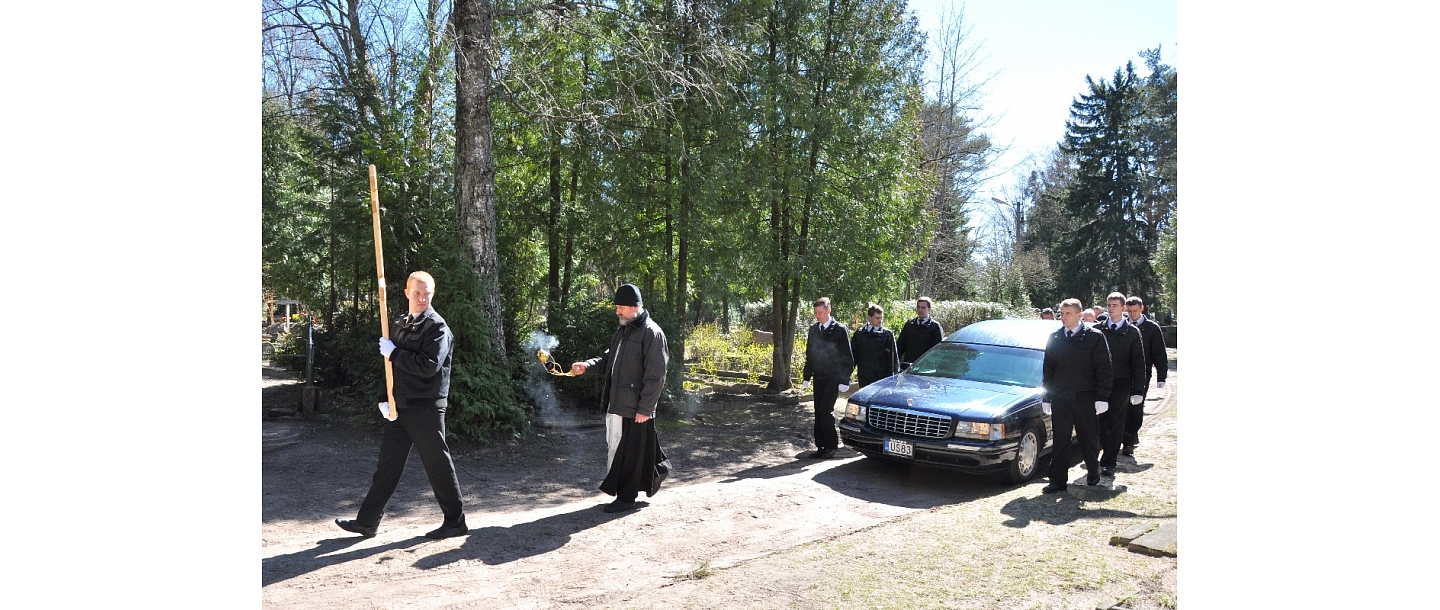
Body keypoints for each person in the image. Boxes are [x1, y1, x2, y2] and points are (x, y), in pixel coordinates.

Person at [336, 271, 468, 539]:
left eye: (427, 293)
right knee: (388, 465)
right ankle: (367, 522)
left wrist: (395, 352)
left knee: (437, 465)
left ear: (433, 293)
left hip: (426, 407)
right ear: (407, 293)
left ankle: (455, 522)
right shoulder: (398, 324)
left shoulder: (437, 328)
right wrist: (383, 398)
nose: (422, 298)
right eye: (417, 292)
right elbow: (389, 369)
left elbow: (428, 366)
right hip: (400, 406)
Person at [570, 284, 669, 514]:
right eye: (616, 307)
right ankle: (659, 470)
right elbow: (607, 360)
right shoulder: (623, 330)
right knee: (624, 451)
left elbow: (656, 377)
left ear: (635, 307)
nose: (617, 312)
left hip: (636, 409)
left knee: (630, 456)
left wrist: (645, 408)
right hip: (619, 404)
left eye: (621, 307)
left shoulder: (652, 333)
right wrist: (586, 366)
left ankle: (626, 499)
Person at [1041, 299, 1113, 493]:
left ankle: (1092, 471)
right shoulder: (1055, 337)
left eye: (1068, 314)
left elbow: (1104, 369)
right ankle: (1057, 480)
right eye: (1062, 313)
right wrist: (1047, 397)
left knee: (1088, 437)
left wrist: (1102, 397)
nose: (1063, 317)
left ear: (1079, 315)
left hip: (1086, 397)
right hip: (1061, 398)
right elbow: (1049, 370)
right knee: (1061, 439)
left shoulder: (1094, 337)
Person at [1096, 292, 1145, 477]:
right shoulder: (1099, 330)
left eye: (1115, 305)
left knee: (1116, 423)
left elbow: (1138, 363)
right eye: (1109, 305)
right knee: (1101, 422)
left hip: (1122, 384)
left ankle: (1109, 461)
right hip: (1100, 384)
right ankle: (1102, 454)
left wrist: (1138, 390)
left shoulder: (1132, 332)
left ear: (1123, 308)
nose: (1111, 308)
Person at [801, 297, 854, 459]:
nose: (818, 315)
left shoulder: (839, 329)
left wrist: (845, 379)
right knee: (818, 411)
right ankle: (821, 445)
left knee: (826, 410)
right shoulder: (814, 330)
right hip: (819, 376)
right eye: (816, 313)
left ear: (828, 310)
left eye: (821, 312)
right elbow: (810, 355)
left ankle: (831, 445)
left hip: (833, 377)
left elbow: (847, 356)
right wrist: (806, 376)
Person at [1122, 295, 1169, 456]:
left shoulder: (1152, 328)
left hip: (1143, 373)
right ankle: (1125, 437)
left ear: (1141, 309)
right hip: (1123, 373)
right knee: (1122, 406)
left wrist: (1161, 376)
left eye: (1135, 311)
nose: (1132, 314)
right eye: (1129, 311)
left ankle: (1130, 438)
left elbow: (1159, 353)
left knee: (1136, 406)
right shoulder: (1122, 326)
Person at [851, 303, 899, 389]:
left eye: (881, 318)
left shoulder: (887, 335)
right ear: (870, 317)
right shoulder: (860, 334)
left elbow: (893, 359)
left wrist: (893, 377)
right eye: (877, 318)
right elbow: (853, 356)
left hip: (881, 376)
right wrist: (847, 374)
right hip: (864, 375)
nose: (880, 320)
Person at [896, 297, 944, 369]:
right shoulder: (909, 325)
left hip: (925, 368)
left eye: (923, 307)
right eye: (918, 307)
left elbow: (938, 351)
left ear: (929, 309)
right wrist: (895, 365)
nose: (920, 310)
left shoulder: (935, 327)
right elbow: (900, 346)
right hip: (908, 367)